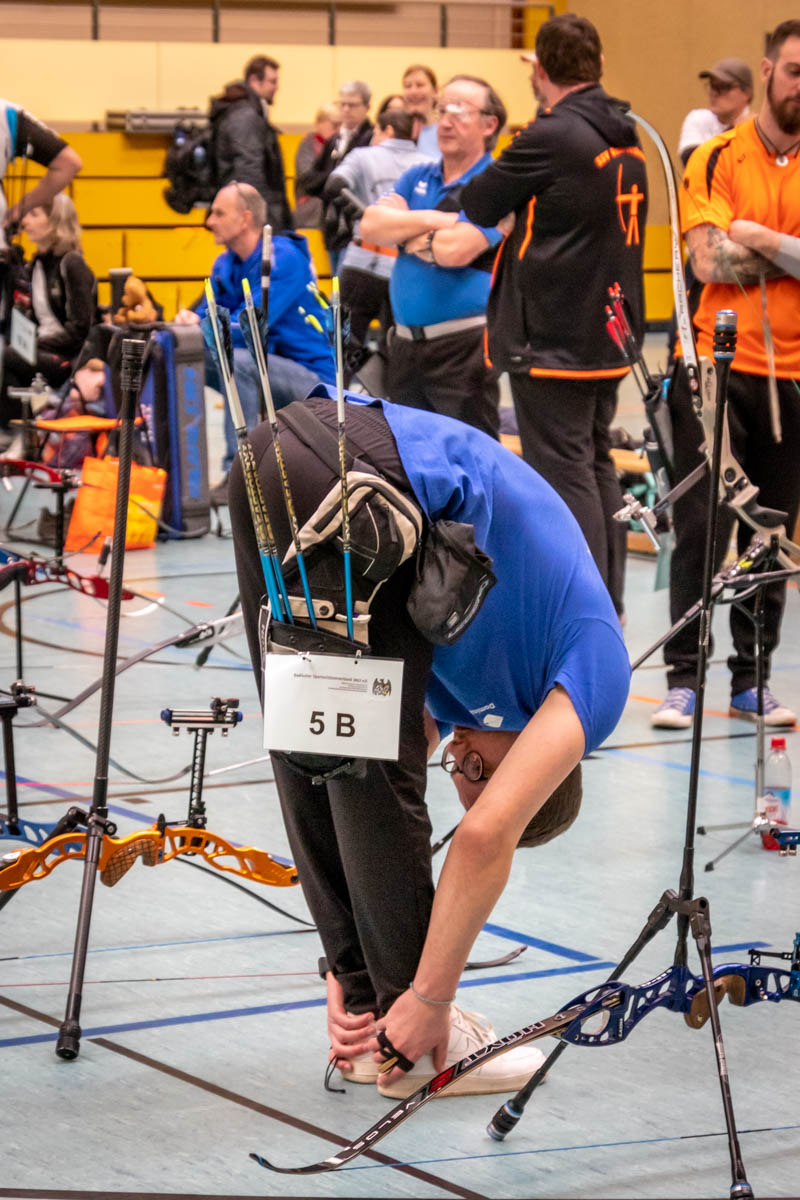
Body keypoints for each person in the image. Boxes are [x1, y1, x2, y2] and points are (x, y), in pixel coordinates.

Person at [229, 386, 629, 1097]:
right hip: (373, 470)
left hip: (268, 455)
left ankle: (369, 1022)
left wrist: (344, 965)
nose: (456, 758)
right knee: (378, 774)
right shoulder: (597, 671)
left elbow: (341, 778)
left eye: (460, 770)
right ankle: (420, 1041)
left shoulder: (470, 702)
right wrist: (432, 996)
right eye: (477, 769)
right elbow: (482, 837)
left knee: (309, 752)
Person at [461, 14, 647, 617]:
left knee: (565, 476)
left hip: (554, 336)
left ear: (540, 70)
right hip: (608, 332)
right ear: (599, 65)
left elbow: (478, 201)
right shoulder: (625, 131)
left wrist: (516, 211)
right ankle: (609, 605)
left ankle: (583, 614)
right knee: (595, 465)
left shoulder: (553, 134)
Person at [651, 20, 800, 730]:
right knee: (703, 527)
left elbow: (734, 245)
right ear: (768, 72)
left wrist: (759, 235)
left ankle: (752, 680)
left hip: (792, 378)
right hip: (717, 367)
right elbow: (708, 260)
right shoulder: (715, 157)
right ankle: (683, 678)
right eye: (795, 70)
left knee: (771, 532)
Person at [359, 75, 508, 438]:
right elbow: (371, 226)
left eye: (459, 111)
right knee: (409, 457)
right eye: (442, 110)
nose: (445, 121)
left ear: (489, 124)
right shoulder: (417, 175)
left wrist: (404, 229)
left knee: (467, 457)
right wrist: (440, 220)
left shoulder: (496, 184)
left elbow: (455, 251)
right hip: (404, 348)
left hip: (464, 350)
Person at [174, 182, 334, 491]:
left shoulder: (283, 259)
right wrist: (187, 322)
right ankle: (178, 474)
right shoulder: (225, 263)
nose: (209, 221)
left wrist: (199, 325)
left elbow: (248, 327)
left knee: (237, 361)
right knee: (183, 352)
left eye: (219, 213)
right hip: (267, 365)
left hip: (314, 379)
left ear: (245, 218)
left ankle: (242, 474)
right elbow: (205, 314)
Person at [324, 108, 434, 378]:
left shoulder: (363, 156)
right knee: (396, 347)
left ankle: (339, 399)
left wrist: (367, 217)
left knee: (341, 345)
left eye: (376, 131)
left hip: (363, 261)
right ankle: (387, 399)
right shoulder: (430, 165)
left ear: (388, 130)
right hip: (406, 267)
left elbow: (334, 185)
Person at [1, 194, 96, 435]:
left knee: (5, 357)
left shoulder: (72, 264)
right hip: (42, 348)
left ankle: (15, 434)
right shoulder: (38, 264)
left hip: (68, 356)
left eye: (34, 215)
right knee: (6, 352)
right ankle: (22, 432)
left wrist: (35, 344)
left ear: (55, 221)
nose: (25, 222)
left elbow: (80, 329)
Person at [297, 82, 375, 275]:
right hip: (333, 226)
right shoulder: (335, 140)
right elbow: (309, 182)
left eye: (352, 105)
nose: (346, 110)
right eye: (343, 104)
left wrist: (332, 181)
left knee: (344, 286)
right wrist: (334, 180)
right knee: (336, 286)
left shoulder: (371, 139)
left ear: (367, 107)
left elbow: (355, 184)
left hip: (356, 229)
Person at [210, 54, 292, 233]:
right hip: (256, 220)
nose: (277, 87)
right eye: (272, 81)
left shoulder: (247, 112)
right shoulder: (245, 116)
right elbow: (249, 171)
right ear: (255, 80)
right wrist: (262, 221)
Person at [678, 57, 753, 166]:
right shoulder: (698, 118)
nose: (714, 93)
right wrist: (734, 130)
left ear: (747, 94)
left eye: (723, 87)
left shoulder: (758, 128)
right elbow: (695, 163)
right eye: (712, 86)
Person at [293, 104, 341, 230]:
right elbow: (307, 178)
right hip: (311, 207)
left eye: (342, 125)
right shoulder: (307, 145)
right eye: (335, 125)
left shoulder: (339, 145)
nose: (339, 130)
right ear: (319, 122)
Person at [402, 63, 439, 156]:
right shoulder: (395, 132)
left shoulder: (445, 131)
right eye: (408, 86)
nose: (413, 91)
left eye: (420, 85)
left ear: (435, 91)